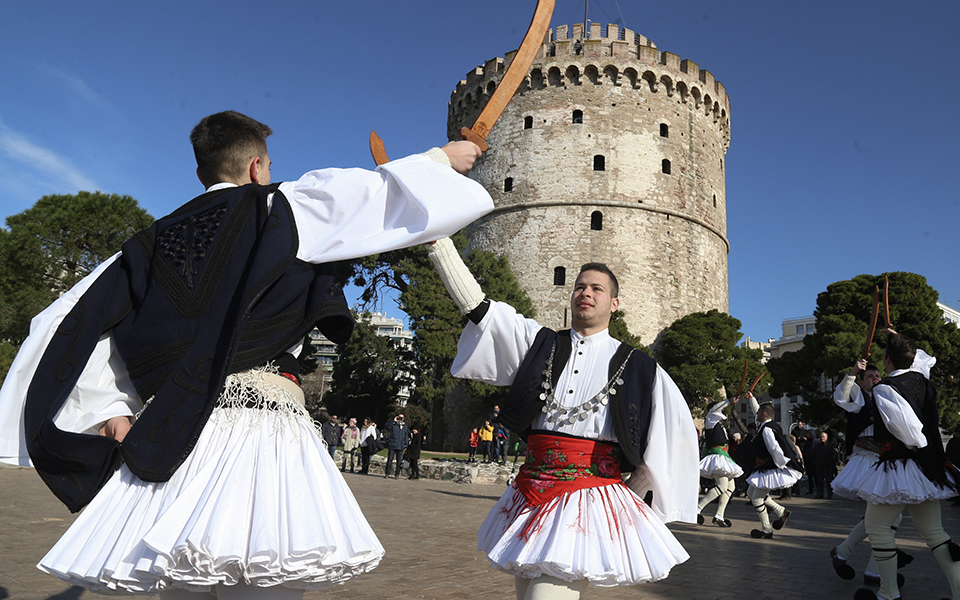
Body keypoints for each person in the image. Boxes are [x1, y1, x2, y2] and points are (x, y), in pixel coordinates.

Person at [0, 109, 493, 599]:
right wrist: (441, 159)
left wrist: (108, 411)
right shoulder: (282, 207)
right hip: (261, 429)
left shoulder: (145, 246)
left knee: (180, 586)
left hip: (169, 432)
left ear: (202, 172)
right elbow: (379, 194)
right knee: (261, 585)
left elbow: (65, 322)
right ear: (257, 167)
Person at [427, 240, 698, 600]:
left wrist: (633, 494)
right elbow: (477, 307)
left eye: (596, 288)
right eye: (579, 287)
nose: (585, 293)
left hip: (586, 499)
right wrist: (438, 244)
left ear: (614, 304)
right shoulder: (539, 344)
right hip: (527, 494)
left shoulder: (641, 369)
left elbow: (672, 438)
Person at [851, 333, 960, 600]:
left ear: (887, 360)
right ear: (911, 358)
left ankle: (888, 593)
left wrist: (919, 447)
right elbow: (922, 359)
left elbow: (909, 430)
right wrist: (898, 338)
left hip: (902, 464)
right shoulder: (923, 380)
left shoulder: (885, 388)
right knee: (935, 533)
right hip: (927, 467)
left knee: (877, 528)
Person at [830, 359, 912, 588]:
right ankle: (872, 570)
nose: (875, 378)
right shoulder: (861, 399)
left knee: (881, 517)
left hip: (885, 460)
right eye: (870, 377)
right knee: (887, 517)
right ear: (863, 384)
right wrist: (855, 371)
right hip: (868, 460)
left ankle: (847, 554)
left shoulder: (890, 398)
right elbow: (841, 396)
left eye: (878, 375)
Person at [745, 395, 803, 539]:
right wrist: (751, 398)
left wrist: (781, 465)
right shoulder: (767, 425)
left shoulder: (767, 430)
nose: (756, 414)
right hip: (765, 467)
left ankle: (766, 530)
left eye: (759, 413)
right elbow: (756, 409)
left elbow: (775, 448)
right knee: (751, 493)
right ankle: (781, 511)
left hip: (770, 468)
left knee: (757, 499)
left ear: (763, 414)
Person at [696, 396, 744, 527]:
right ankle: (697, 509)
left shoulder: (719, 423)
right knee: (722, 486)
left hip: (724, 455)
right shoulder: (711, 418)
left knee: (730, 487)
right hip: (717, 456)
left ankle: (719, 515)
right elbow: (715, 409)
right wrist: (728, 401)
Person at [383, 413, 410, 479]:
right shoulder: (393, 425)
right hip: (392, 445)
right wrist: (393, 420)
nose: (400, 419)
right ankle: (387, 473)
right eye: (399, 417)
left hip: (400, 446)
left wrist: (406, 445)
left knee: (399, 461)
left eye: (402, 418)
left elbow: (406, 436)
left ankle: (397, 474)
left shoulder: (405, 426)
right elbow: (386, 426)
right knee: (390, 460)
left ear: (403, 419)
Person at [813, 430, 838, 499]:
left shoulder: (830, 446)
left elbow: (833, 456)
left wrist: (830, 463)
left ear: (826, 438)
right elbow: (813, 454)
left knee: (829, 481)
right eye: (821, 437)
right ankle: (820, 494)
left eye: (823, 437)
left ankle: (830, 494)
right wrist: (815, 462)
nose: (822, 438)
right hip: (819, 466)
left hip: (828, 466)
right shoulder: (817, 446)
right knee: (819, 481)